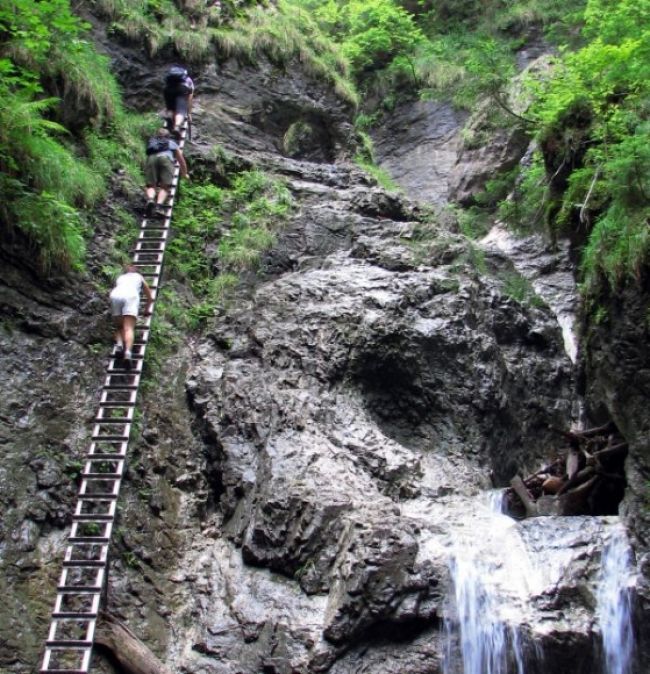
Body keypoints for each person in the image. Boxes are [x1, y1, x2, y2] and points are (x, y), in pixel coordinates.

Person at [109, 264, 154, 368]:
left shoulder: (121, 278)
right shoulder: (139, 277)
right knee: (128, 328)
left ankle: (119, 346)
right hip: (131, 296)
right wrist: (147, 310)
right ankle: (128, 353)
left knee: (119, 326)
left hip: (115, 295)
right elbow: (150, 297)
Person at [144, 127, 189, 218]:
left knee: (150, 185)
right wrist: (184, 173)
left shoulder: (152, 143)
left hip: (151, 159)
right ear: (168, 136)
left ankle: (151, 200)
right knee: (165, 187)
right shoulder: (171, 143)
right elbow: (181, 161)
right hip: (165, 159)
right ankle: (158, 206)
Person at [163, 65, 194, 135]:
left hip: (167, 89)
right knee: (181, 110)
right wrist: (189, 113)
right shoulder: (189, 80)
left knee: (171, 108)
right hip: (181, 90)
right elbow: (190, 98)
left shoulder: (170, 78)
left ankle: (169, 115)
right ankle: (177, 126)